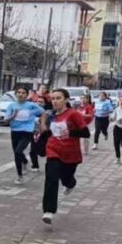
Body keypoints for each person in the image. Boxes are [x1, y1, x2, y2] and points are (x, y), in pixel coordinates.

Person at [41, 88, 89, 225]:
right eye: (53, 98)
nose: (55, 101)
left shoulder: (74, 114)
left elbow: (86, 133)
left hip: (70, 154)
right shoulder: (50, 115)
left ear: (66, 100)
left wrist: (69, 133)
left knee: (66, 179)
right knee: (51, 178)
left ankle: (70, 183)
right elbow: (48, 132)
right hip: (53, 150)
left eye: (58, 98)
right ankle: (48, 211)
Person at [1, 87, 45, 184]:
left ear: (27, 95)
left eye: (23, 93)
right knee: (17, 153)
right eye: (19, 92)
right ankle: (24, 161)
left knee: (18, 151)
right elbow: (5, 120)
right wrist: (13, 116)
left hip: (27, 132)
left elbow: (43, 112)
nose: (21, 94)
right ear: (16, 94)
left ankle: (19, 176)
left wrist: (41, 124)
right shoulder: (11, 106)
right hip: (15, 132)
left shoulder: (31, 105)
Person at [30, 84, 53, 173]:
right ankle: (35, 165)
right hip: (34, 133)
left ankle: (49, 164)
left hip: (46, 134)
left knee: (44, 151)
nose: (39, 104)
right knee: (33, 150)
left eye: (41, 102)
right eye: (38, 102)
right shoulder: (32, 112)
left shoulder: (49, 113)